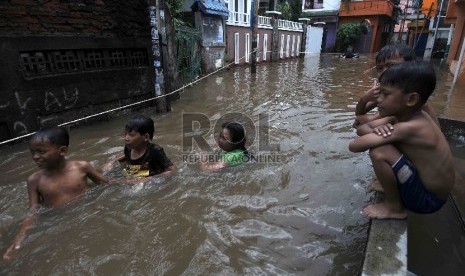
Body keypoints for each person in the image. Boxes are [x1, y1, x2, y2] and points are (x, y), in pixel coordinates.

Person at [349, 61, 455, 220]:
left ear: (411, 99)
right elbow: (361, 127)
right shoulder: (405, 115)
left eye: (385, 94)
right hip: (428, 190)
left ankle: (394, 207)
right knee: (383, 143)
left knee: (380, 151)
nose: (378, 100)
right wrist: (376, 130)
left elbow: (354, 145)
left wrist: (374, 132)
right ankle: (393, 192)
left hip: (428, 201)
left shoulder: (412, 127)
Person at [3, 126, 111, 260]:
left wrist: (132, 181)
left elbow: (105, 183)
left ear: (62, 151)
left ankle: (110, 163)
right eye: (32, 153)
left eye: (41, 152)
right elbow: (33, 211)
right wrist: (18, 240)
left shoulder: (81, 167)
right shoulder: (34, 180)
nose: (35, 157)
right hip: (57, 221)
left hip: (86, 214)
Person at [106, 115, 175, 180]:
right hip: (139, 171)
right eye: (125, 134)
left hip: (153, 176)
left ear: (146, 137)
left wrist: (148, 179)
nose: (126, 138)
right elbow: (125, 156)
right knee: (120, 178)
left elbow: (171, 170)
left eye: (131, 135)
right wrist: (113, 161)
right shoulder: (128, 148)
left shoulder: (156, 151)